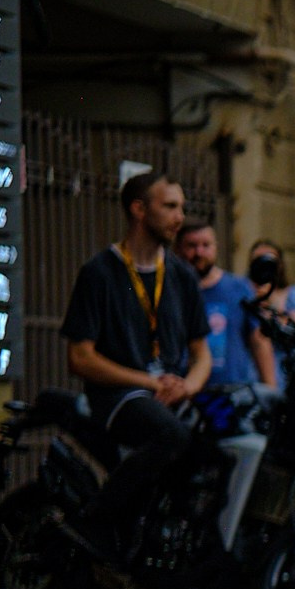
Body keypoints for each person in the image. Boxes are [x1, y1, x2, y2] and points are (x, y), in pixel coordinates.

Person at [58, 169, 213, 559]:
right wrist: (149, 382)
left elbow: (202, 352)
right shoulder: (99, 272)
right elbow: (80, 358)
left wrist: (188, 385)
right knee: (171, 436)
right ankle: (95, 521)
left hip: (170, 393)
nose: (180, 216)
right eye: (170, 206)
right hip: (118, 397)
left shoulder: (181, 276)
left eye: (182, 207)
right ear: (139, 209)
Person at [177, 220, 275, 389]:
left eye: (206, 245)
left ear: (216, 247)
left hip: (232, 392)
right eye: (191, 246)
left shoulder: (239, 288)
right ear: (178, 249)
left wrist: (271, 388)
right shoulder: (171, 291)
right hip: (184, 390)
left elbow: (259, 341)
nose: (199, 252)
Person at [247, 239, 295, 328]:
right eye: (260, 260)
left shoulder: (294, 293)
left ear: (280, 264)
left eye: (269, 260)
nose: (265, 266)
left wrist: (272, 302)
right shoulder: (242, 292)